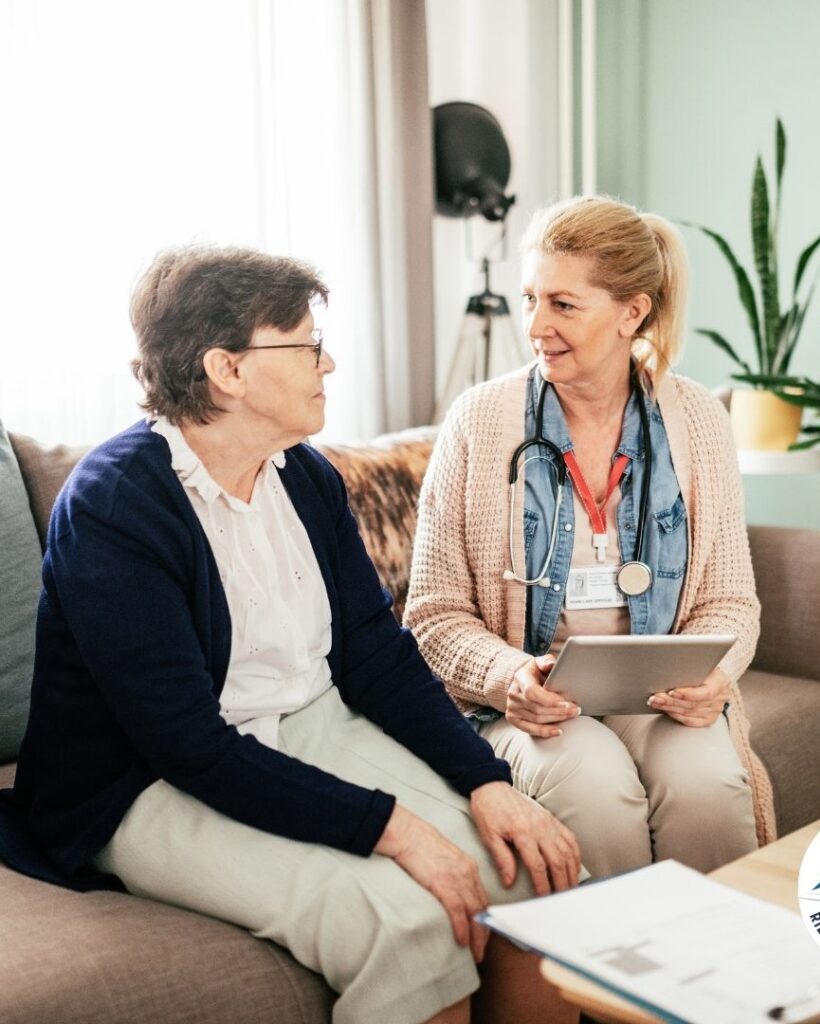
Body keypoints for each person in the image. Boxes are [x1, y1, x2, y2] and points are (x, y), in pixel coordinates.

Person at [0, 246, 581, 1024]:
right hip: (145, 782)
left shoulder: (304, 476)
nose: (329, 361)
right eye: (306, 344)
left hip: (310, 724)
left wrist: (486, 782)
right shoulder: (115, 505)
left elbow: (376, 656)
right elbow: (188, 745)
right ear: (227, 370)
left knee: (534, 875)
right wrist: (393, 829)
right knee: (412, 928)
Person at [405, 196, 776, 880]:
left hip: (656, 694)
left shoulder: (696, 420)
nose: (536, 326)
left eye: (563, 305)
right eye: (529, 300)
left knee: (707, 782)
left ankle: (720, 970)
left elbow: (730, 601)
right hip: (530, 706)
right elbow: (432, 614)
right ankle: (604, 980)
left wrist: (715, 677)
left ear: (631, 312)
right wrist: (508, 675)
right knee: (593, 785)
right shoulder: (479, 422)